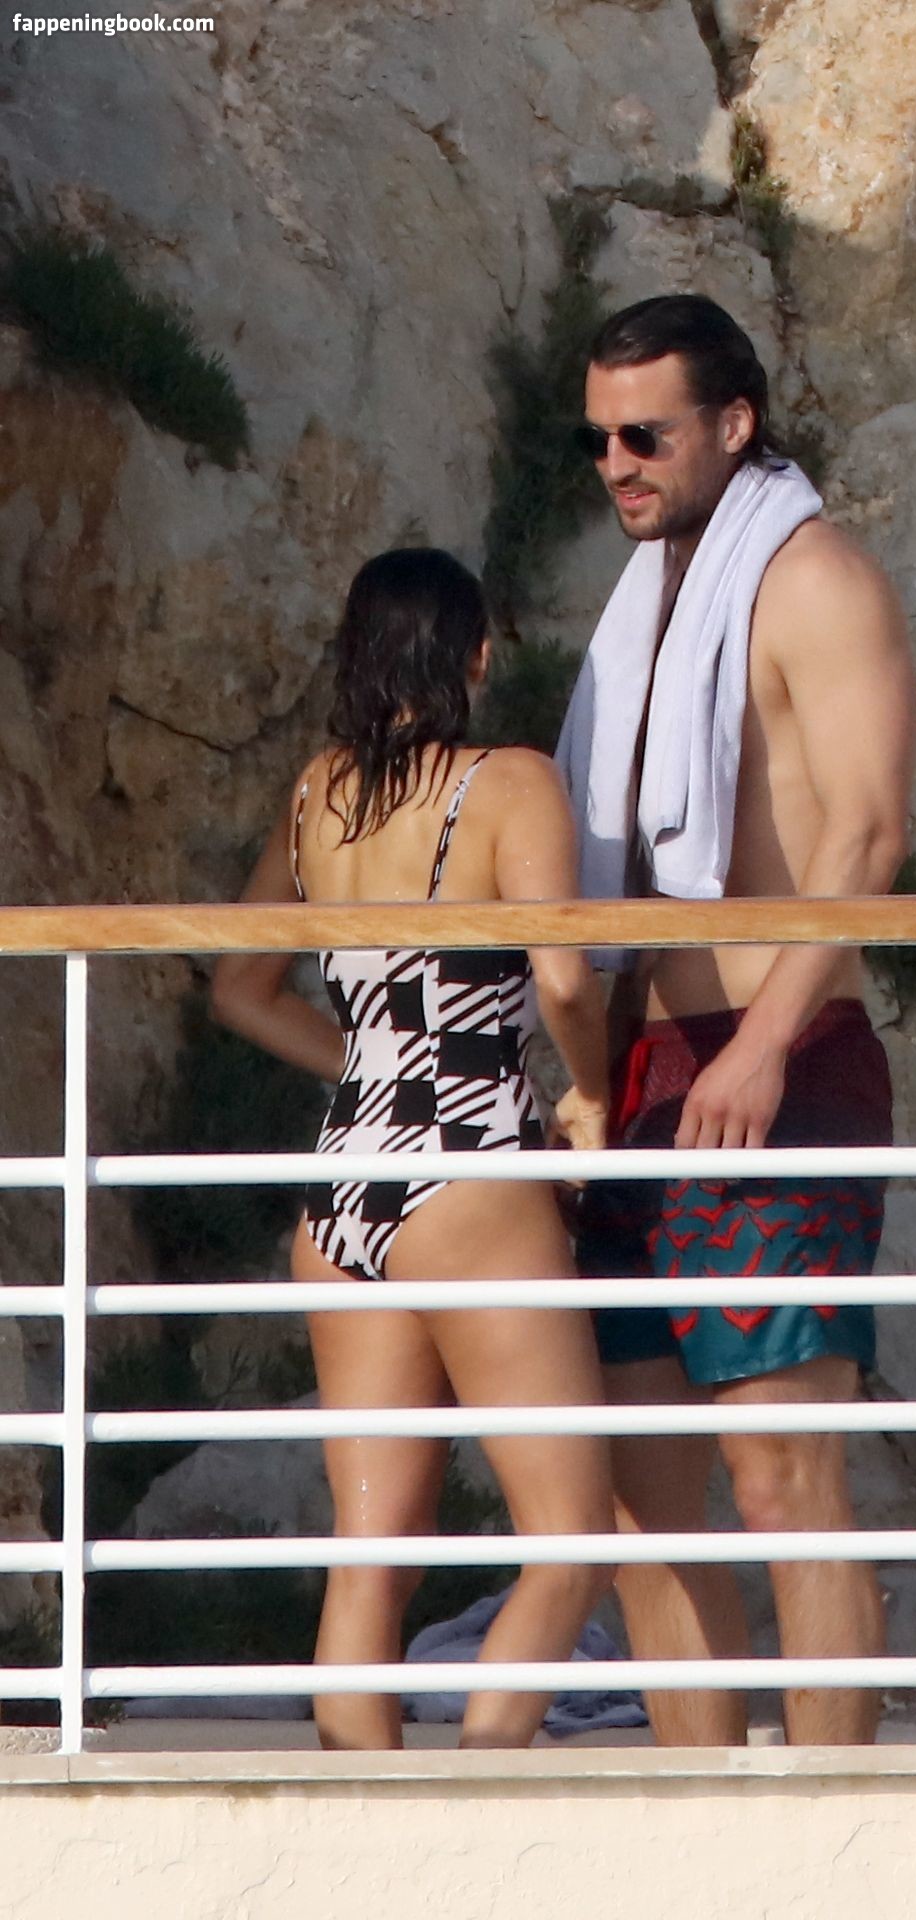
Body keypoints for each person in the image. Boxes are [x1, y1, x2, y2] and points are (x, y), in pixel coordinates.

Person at [558, 295, 916, 1746]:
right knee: (640, 1490)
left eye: (645, 436)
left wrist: (765, 1043)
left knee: (779, 1472)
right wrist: (590, 1075)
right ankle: (699, 1819)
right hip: (646, 1071)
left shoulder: (816, 579)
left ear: (734, 422)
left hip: (784, 1060)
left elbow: (868, 833)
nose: (617, 465)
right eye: (597, 441)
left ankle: (832, 1826)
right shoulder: (646, 605)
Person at [213, 547, 615, 1752]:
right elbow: (561, 980)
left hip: (345, 1181)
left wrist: (366, 1066)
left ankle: (359, 1826)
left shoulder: (315, 793)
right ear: (474, 656)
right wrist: (591, 1094)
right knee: (569, 1543)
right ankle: (479, 1792)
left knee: (369, 1559)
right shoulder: (509, 784)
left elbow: (238, 988)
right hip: (469, 1169)